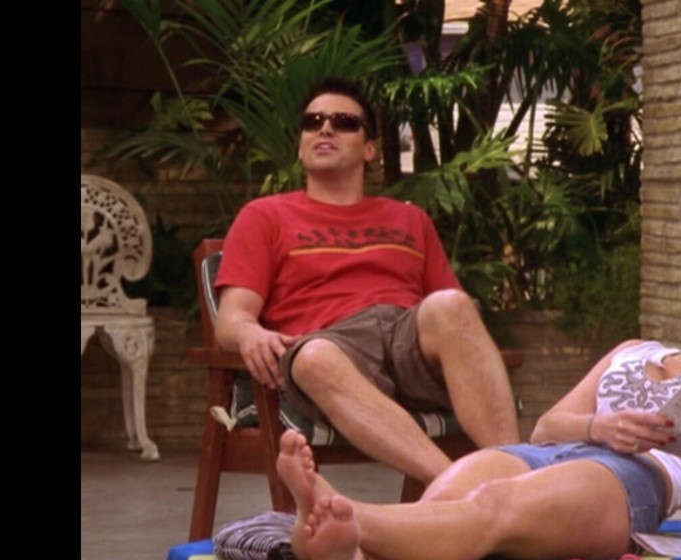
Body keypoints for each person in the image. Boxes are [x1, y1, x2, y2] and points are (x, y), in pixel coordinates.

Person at [276, 215, 681, 560]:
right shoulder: (633, 350)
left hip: (634, 478)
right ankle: (340, 546)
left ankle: (344, 514)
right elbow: (546, 428)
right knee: (447, 497)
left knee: (492, 504)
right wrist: (601, 426)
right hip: (549, 453)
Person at [214, 78, 520, 485]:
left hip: (406, 340)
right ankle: (457, 485)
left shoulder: (410, 219)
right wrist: (250, 334)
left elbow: (453, 316)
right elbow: (230, 319)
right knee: (314, 357)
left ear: (369, 149)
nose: (325, 129)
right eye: (313, 122)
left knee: (454, 305)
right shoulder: (264, 216)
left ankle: (517, 476)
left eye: (343, 122)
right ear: (301, 144)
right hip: (331, 346)